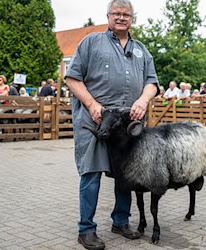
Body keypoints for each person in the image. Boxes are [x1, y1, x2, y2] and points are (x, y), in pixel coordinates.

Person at [65, 1, 159, 249]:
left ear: (132, 18)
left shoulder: (141, 50)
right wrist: (92, 104)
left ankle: (120, 221)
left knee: (125, 174)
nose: (121, 17)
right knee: (91, 172)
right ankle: (86, 229)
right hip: (95, 119)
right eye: (116, 13)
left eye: (126, 14)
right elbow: (72, 78)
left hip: (128, 124)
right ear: (108, 16)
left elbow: (152, 83)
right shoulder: (91, 42)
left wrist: (143, 99)